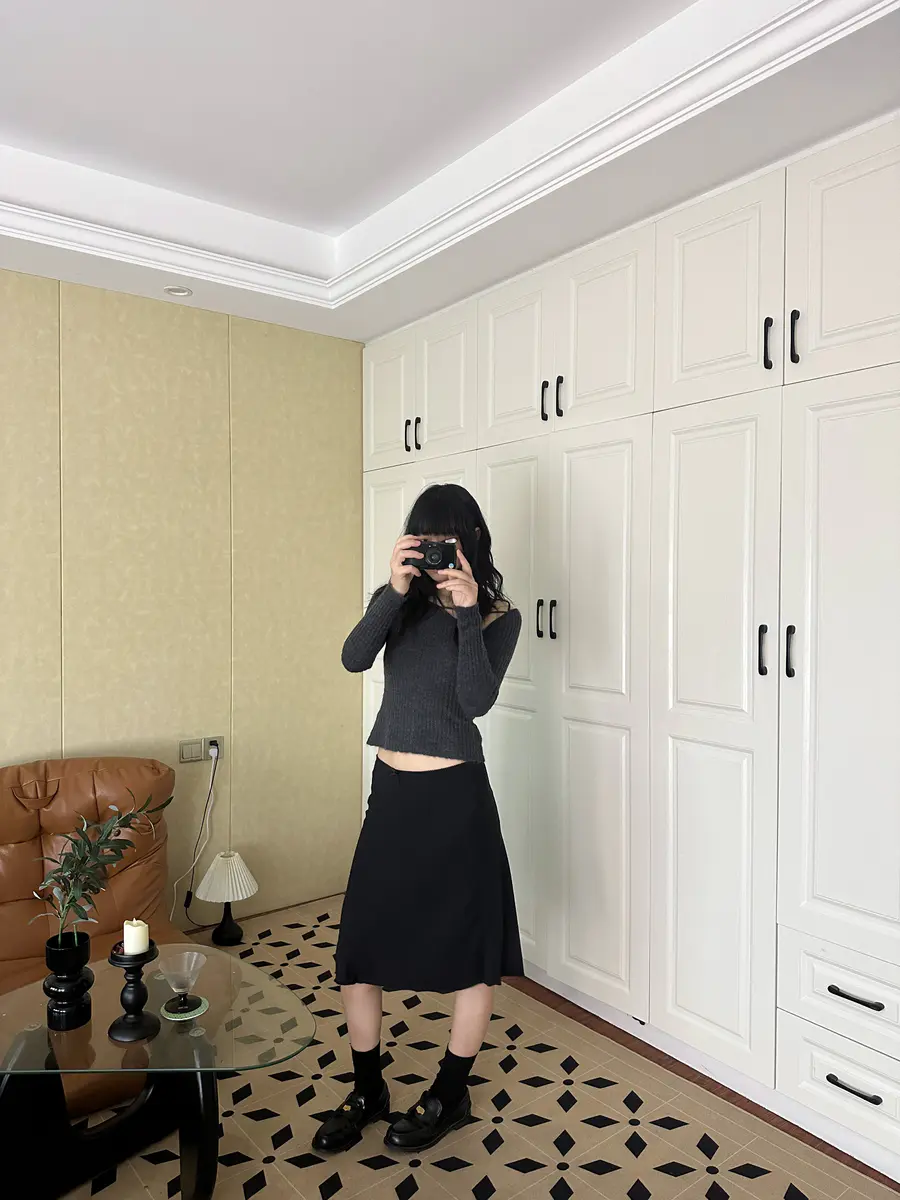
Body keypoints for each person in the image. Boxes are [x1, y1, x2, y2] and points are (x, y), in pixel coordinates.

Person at [313, 483, 524, 1155]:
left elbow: (474, 701)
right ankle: (367, 1088)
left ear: (470, 542)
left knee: (470, 955)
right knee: (359, 948)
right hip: (393, 796)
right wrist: (393, 587)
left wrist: (465, 612)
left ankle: (449, 1093)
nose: (435, 553)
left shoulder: (497, 616)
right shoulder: (396, 605)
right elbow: (352, 657)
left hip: (457, 801)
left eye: (445, 541)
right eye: (424, 539)